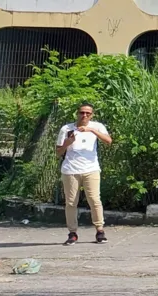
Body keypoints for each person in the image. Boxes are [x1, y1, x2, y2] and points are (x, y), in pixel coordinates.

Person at [56, 103, 112, 246]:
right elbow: (58, 152)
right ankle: (72, 233)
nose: (84, 115)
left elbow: (108, 141)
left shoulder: (97, 127)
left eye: (88, 113)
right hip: (70, 170)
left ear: (92, 115)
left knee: (94, 200)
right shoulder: (67, 128)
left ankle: (100, 231)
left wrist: (91, 130)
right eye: (82, 112)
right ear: (77, 113)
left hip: (91, 169)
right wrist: (67, 143)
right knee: (70, 202)